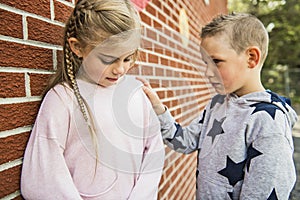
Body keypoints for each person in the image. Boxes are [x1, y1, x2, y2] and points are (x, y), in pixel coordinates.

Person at [138, 13, 298, 199]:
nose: (207, 72)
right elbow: (185, 142)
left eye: (216, 62)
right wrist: (159, 110)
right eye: (205, 63)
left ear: (251, 58)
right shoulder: (217, 103)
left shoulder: (268, 120)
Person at [21, 0, 165, 199]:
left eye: (127, 58)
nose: (120, 69)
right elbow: (42, 175)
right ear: (78, 47)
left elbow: (154, 151)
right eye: (108, 59)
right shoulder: (63, 99)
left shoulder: (135, 94)